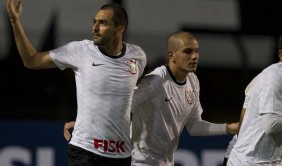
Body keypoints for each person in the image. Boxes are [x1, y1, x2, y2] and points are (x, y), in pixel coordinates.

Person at [6, 0, 146, 166]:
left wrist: (86, 119)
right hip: (85, 150)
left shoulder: (138, 57)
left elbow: (128, 97)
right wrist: (15, 22)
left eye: (102, 23)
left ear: (119, 30)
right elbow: (31, 60)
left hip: (121, 154)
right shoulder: (79, 51)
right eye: (94, 22)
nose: (95, 27)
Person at [64, 31, 239, 166]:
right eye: (188, 51)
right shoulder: (156, 82)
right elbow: (119, 106)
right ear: (172, 55)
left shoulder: (193, 81)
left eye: (196, 51)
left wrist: (229, 128)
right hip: (139, 161)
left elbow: (194, 126)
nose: (194, 56)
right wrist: (84, 123)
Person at [227, 36, 282, 166]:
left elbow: (243, 121)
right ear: (281, 54)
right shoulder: (273, 77)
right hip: (248, 162)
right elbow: (271, 124)